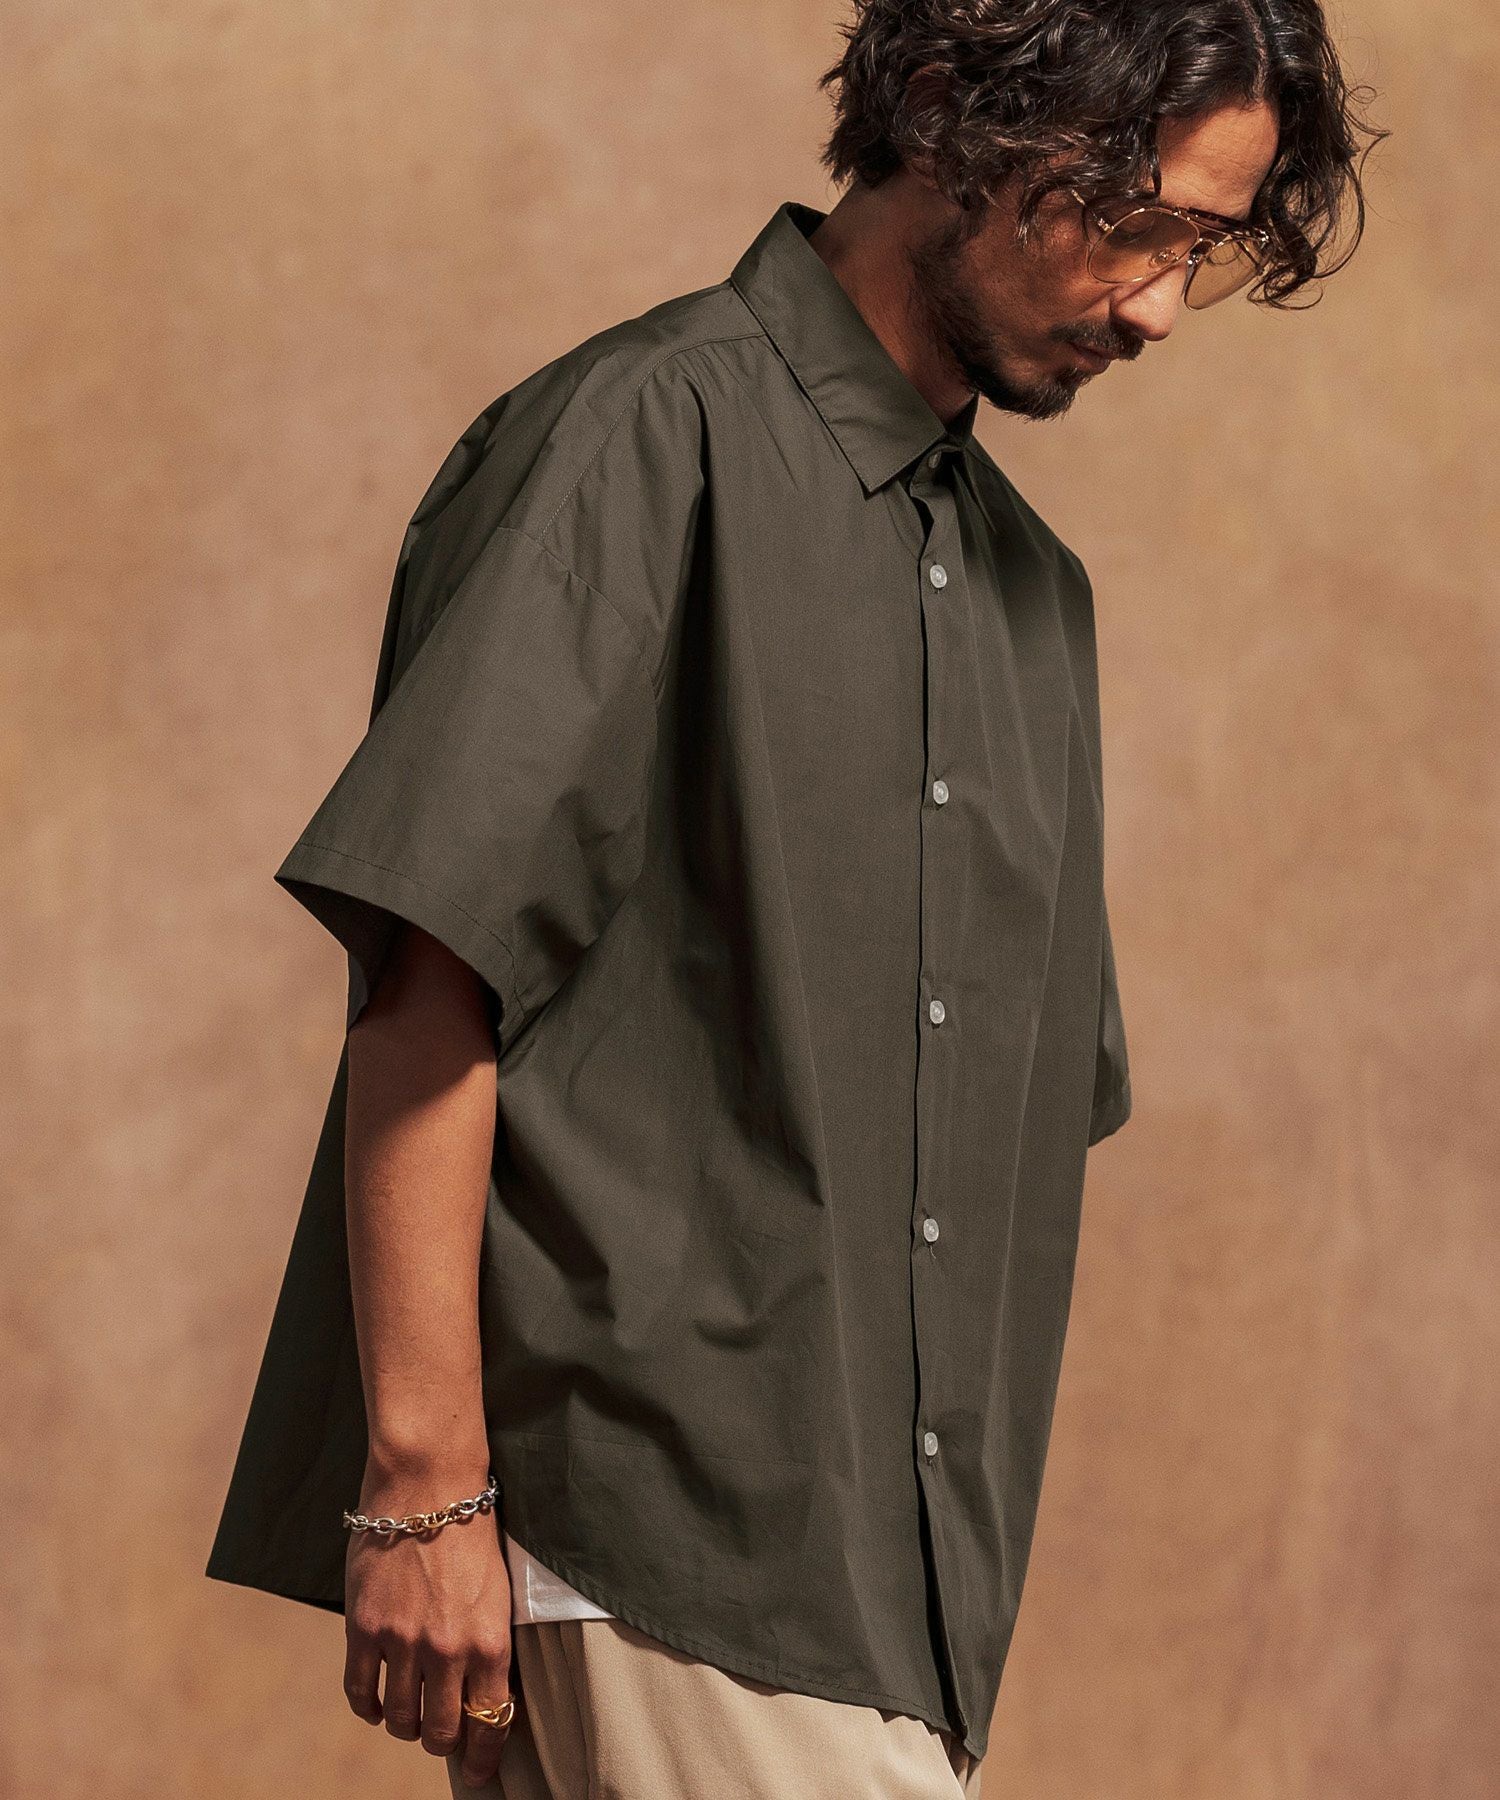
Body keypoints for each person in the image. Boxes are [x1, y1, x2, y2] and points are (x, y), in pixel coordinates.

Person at [205, 3, 1384, 1795]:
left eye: (1200, 250)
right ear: (958, 114)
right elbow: (432, 969)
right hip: (663, 1535)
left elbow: (990, 1126)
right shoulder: (640, 437)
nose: (1158, 309)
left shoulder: (1032, 603)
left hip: (900, 1600)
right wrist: (421, 1489)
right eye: (1136, 220)